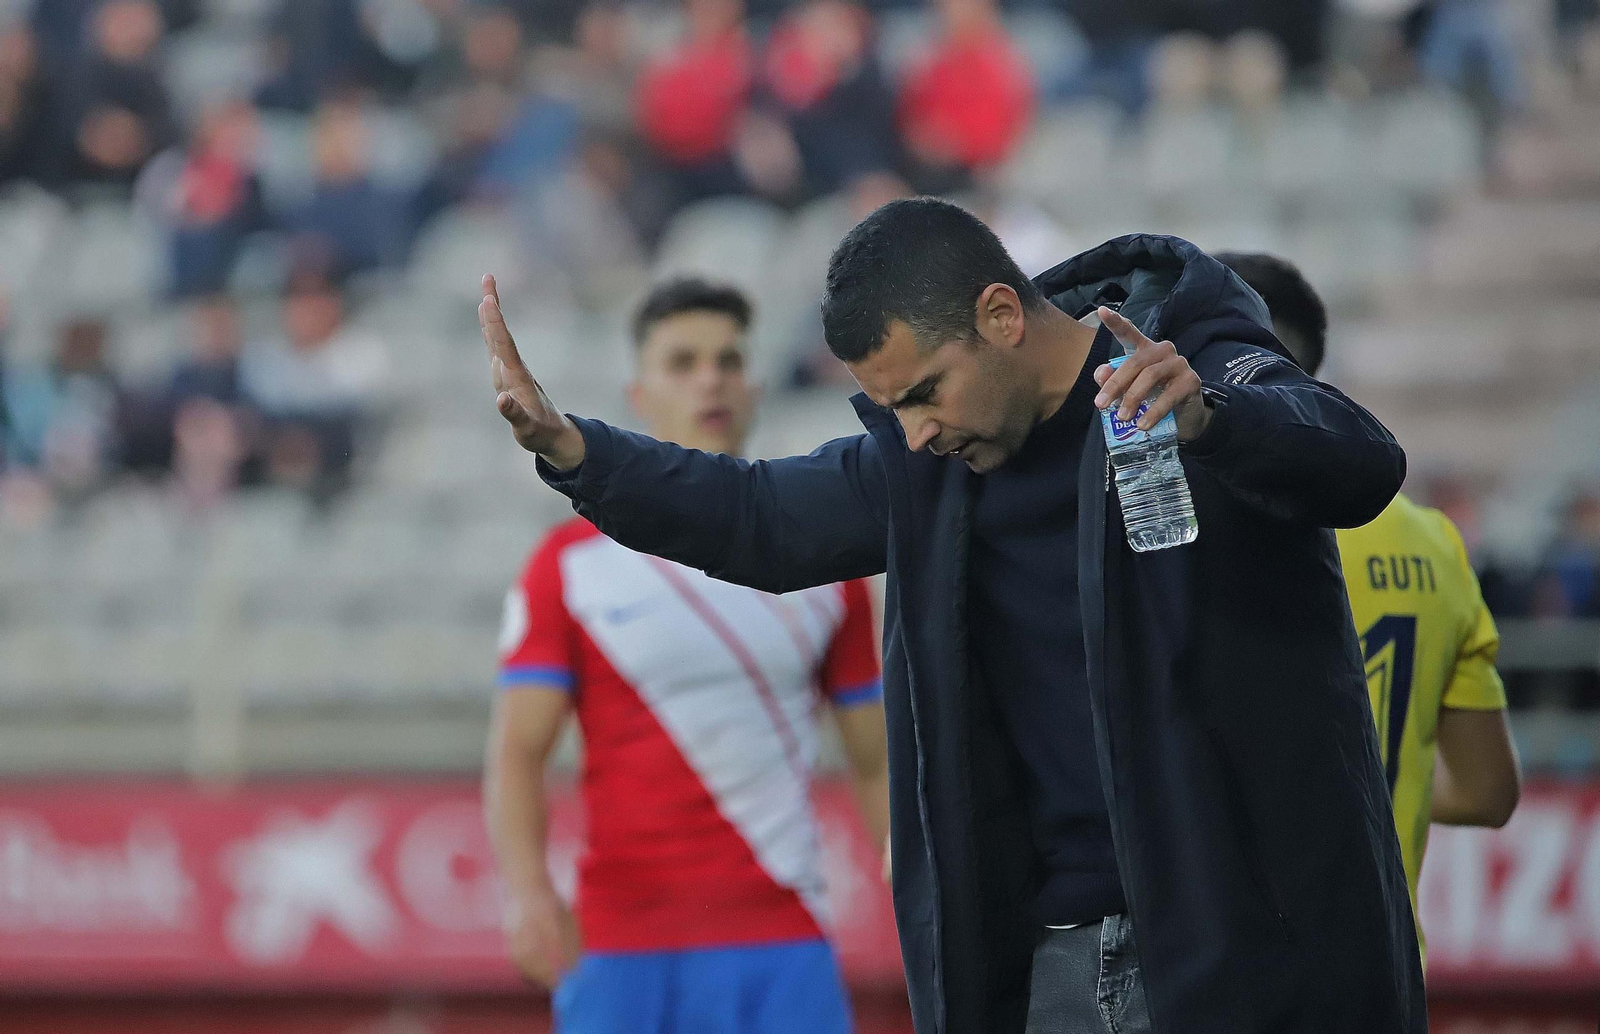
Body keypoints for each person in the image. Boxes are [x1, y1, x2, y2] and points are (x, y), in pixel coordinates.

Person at [480, 200, 1423, 1034]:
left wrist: (1218, 422)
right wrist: (573, 450)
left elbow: (1363, 463)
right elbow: (759, 517)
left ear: (1001, 317)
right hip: (1051, 967)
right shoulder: (924, 463)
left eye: (923, 393)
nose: (917, 430)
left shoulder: (1193, 367)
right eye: (894, 411)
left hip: (1249, 950)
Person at [484, 277, 890, 1034]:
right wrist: (528, 893)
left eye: (729, 360)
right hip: (622, 946)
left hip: (785, 938)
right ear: (639, 393)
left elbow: (875, 760)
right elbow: (517, 752)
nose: (711, 378)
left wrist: (913, 885)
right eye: (684, 361)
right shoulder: (567, 566)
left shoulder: (826, 565)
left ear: (756, 385)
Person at [1216, 251, 1522, 938]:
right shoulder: (1433, 543)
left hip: (1233, 971)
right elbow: (1487, 793)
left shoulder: (1195, 526)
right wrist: (1386, 784)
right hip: (1380, 969)